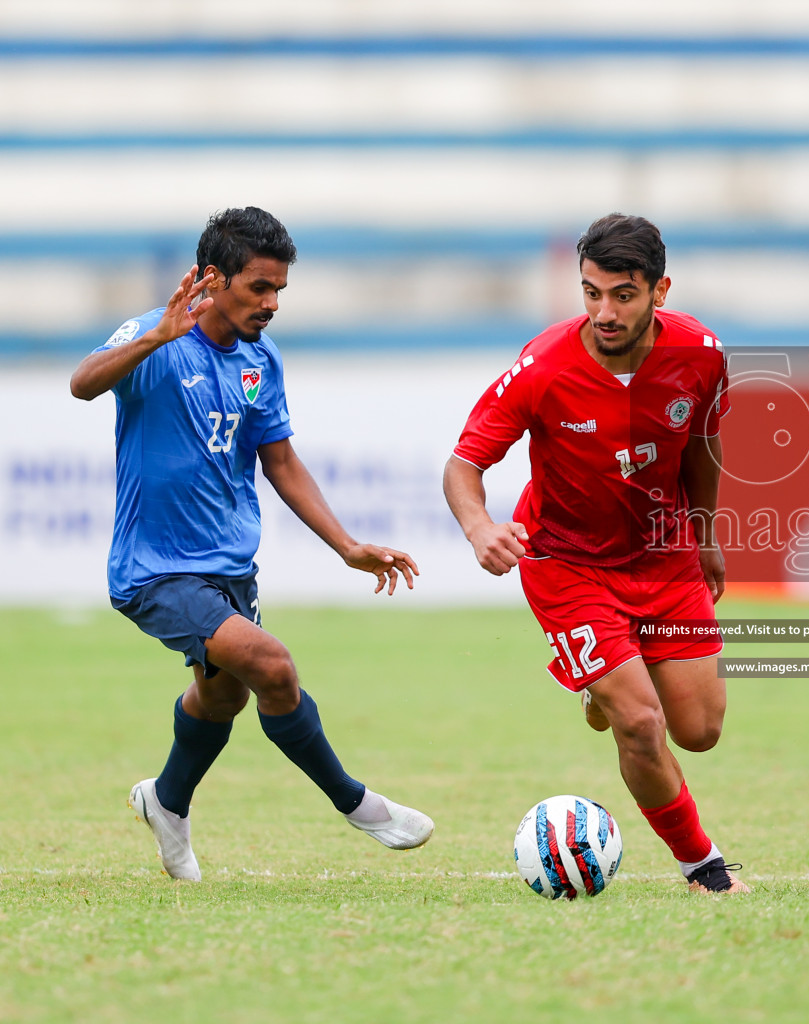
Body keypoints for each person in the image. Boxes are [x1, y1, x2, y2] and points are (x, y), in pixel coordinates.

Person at [69, 207, 434, 881]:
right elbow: (83, 382)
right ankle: (357, 803)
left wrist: (345, 546)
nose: (271, 304)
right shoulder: (157, 333)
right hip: (157, 571)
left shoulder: (260, 361)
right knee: (272, 666)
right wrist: (154, 339)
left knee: (223, 699)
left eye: (279, 292)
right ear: (214, 278)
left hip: (229, 569)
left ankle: (166, 800)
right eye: (259, 288)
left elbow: (282, 463)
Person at [442, 213, 747, 895]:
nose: (604, 312)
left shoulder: (701, 354)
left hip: (663, 558)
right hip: (566, 562)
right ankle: (705, 869)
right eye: (591, 293)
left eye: (623, 295)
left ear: (659, 291)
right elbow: (463, 466)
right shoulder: (543, 368)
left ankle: (601, 685)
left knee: (699, 731)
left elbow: (701, 445)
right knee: (642, 723)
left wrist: (706, 534)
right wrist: (480, 528)